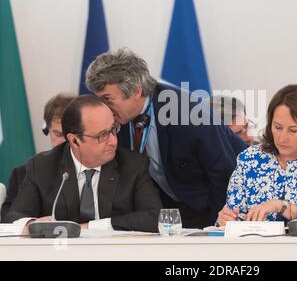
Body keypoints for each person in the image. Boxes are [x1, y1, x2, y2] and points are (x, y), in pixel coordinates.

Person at [85, 48, 247, 228]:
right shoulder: (115, 119)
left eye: (108, 99)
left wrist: (218, 231)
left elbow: (225, 176)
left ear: (136, 91)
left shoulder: (187, 113)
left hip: (215, 206)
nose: (103, 108)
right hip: (171, 211)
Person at [4, 95, 162, 232]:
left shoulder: (133, 164)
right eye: (102, 135)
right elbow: (14, 218)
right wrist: (34, 225)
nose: (113, 141)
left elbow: (155, 217)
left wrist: (89, 228)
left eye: (113, 129)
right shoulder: (42, 166)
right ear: (74, 140)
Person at [217, 84, 297, 226]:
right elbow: (234, 218)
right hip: (257, 247)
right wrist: (225, 220)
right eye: (278, 127)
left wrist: (282, 206)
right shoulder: (249, 158)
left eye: (293, 130)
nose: (282, 138)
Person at [1, 92, 76, 221]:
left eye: (69, 135)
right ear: (46, 129)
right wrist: (33, 224)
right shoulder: (22, 174)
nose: (65, 142)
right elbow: (8, 220)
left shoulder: (94, 170)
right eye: (58, 134)